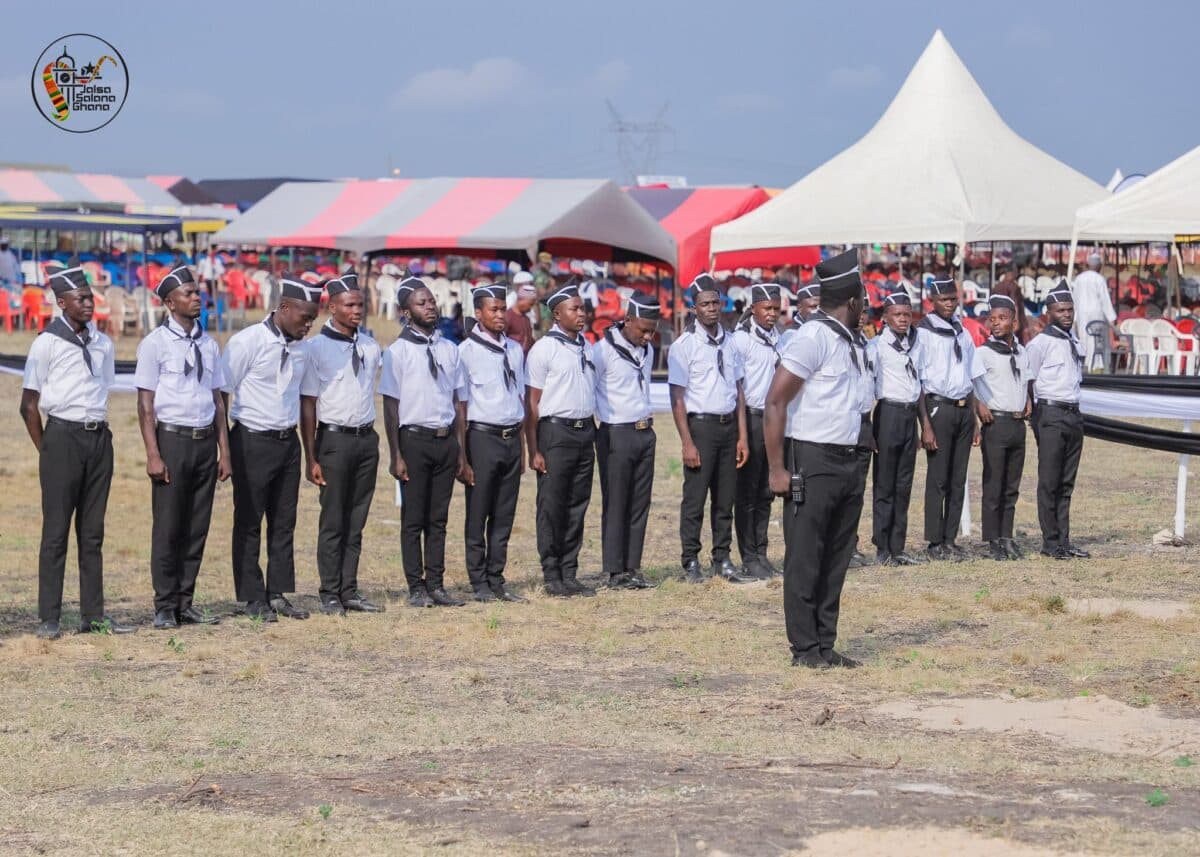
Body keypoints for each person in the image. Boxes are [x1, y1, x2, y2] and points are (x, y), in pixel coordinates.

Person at [763, 248, 867, 669]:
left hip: (850, 459)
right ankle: (804, 650)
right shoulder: (813, 337)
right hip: (814, 458)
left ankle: (825, 644)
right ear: (854, 300)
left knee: (836, 558)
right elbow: (774, 402)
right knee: (806, 558)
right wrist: (776, 469)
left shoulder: (851, 340)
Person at [19, 266, 130, 639]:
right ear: (62, 302)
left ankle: (93, 614)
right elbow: (29, 405)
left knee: (92, 532)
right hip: (62, 437)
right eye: (80, 299)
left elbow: (104, 389)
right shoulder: (46, 343)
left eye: (90, 298)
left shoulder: (102, 343)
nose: (89, 303)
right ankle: (49, 617)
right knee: (55, 532)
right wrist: (48, 449)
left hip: (98, 439)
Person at [133, 265, 231, 629]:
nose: (196, 298)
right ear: (169, 302)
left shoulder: (208, 342)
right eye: (188, 293)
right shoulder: (155, 344)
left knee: (197, 525)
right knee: (169, 526)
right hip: (172, 440)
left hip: (204, 441)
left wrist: (225, 451)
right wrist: (153, 454)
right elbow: (145, 405)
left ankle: (185, 602)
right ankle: (164, 605)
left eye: (197, 292)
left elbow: (219, 400)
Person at [222, 276, 321, 622]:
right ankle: (252, 596)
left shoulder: (304, 349)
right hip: (251, 439)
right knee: (249, 520)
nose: (308, 325)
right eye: (304, 317)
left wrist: (310, 455)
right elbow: (222, 393)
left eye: (313, 319)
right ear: (284, 308)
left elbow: (308, 401)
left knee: (284, 521)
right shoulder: (247, 342)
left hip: (286, 442)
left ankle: (277, 592)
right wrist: (224, 449)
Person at [299, 273, 385, 616]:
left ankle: (350, 589)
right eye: (349, 305)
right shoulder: (315, 348)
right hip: (333, 439)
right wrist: (311, 455)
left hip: (366, 438)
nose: (356, 311)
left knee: (357, 519)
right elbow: (307, 404)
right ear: (331, 307)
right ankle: (329, 591)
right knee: (333, 519)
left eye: (360, 304)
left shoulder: (369, 345)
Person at [381, 279, 467, 607]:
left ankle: (437, 583)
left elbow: (459, 402)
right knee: (413, 518)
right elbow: (391, 405)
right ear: (406, 312)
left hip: (445, 440)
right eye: (421, 303)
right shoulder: (398, 352)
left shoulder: (449, 348)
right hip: (413, 440)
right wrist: (396, 454)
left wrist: (459, 448)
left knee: (438, 518)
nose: (430, 306)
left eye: (431, 301)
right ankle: (416, 587)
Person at [669, 274, 754, 584]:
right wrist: (687, 443)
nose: (711, 309)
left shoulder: (732, 342)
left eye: (716, 303)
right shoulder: (684, 346)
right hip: (700, 427)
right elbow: (677, 398)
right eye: (704, 304)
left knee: (725, 498)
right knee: (695, 499)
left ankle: (722, 557)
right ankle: (690, 559)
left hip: (728, 426)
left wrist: (743, 436)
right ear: (694, 308)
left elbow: (739, 391)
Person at [525, 281, 598, 597]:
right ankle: (552, 573)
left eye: (582, 308)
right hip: (556, 432)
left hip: (585, 431)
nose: (582, 314)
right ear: (557, 314)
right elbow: (532, 402)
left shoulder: (586, 345)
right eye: (575, 309)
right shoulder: (545, 348)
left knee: (577, 504)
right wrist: (534, 448)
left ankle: (570, 571)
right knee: (552, 505)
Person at [457, 282, 528, 603]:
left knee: (504, 512)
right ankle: (478, 581)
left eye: (503, 308)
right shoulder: (466, 352)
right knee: (479, 510)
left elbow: (521, 400)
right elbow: (460, 408)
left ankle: (497, 577)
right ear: (478, 313)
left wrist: (523, 446)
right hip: (482, 437)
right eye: (493, 309)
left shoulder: (514, 350)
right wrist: (463, 456)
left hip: (511, 437)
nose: (500, 315)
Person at [593, 291, 659, 591]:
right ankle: (614, 570)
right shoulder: (602, 351)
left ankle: (633, 566)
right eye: (642, 329)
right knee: (617, 501)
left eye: (651, 331)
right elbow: (590, 389)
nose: (647, 336)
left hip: (645, 432)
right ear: (628, 320)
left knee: (639, 504)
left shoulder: (648, 350)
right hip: (615, 432)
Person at [917, 276, 983, 561]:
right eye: (943, 300)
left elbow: (970, 375)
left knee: (958, 478)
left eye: (953, 299)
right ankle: (934, 541)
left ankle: (950, 538)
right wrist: (926, 425)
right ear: (932, 301)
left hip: (962, 408)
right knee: (938, 478)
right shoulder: (923, 333)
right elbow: (918, 382)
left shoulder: (962, 332)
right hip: (938, 407)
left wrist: (975, 416)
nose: (949, 305)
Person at [1026, 282, 1090, 560]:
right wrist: (1036, 418)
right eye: (1060, 310)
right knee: (1049, 481)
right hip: (1050, 414)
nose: (1067, 314)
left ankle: (1064, 540)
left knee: (1066, 482)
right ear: (1048, 312)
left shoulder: (1073, 340)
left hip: (1073, 414)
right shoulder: (1040, 343)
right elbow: (1028, 381)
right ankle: (1050, 543)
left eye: (1070, 309)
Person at [866, 293, 924, 566]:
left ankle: (898, 546)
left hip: (909, 414)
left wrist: (926, 426)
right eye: (897, 315)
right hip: (888, 413)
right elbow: (868, 386)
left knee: (904, 484)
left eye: (907, 314)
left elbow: (921, 385)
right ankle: (882, 545)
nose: (903, 319)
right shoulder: (877, 346)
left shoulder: (917, 343)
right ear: (886, 318)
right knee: (885, 483)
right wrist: (868, 426)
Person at [974, 294, 1031, 561]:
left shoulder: (1021, 351)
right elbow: (971, 381)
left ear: (1014, 322)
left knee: (1012, 485)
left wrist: (1028, 399)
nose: (996, 323)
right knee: (993, 483)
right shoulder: (983, 352)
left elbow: (1024, 381)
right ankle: (993, 539)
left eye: (1002, 318)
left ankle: (1007, 536)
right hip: (995, 423)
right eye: (992, 319)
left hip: (1017, 423)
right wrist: (978, 404)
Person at [731, 283, 782, 579]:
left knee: (767, 490)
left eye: (776, 308)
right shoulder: (741, 340)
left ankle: (761, 552)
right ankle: (748, 554)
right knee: (747, 491)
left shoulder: (778, 338)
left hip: (773, 419)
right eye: (767, 308)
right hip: (750, 418)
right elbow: (738, 389)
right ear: (754, 309)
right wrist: (742, 435)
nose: (772, 314)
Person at [1071, 253, 1117, 370]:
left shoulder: (1079, 278)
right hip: (1096, 314)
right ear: (1099, 265)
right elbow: (1105, 300)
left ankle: (1085, 363)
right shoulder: (1099, 279)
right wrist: (1112, 319)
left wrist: (1074, 317)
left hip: (1082, 313)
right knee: (1096, 339)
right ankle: (1095, 364)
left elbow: (1074, 299)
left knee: (1084, 337)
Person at [990, 267, 1028, 343]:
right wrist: (1016, 322)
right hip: (1009, 321)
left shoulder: (997, 286)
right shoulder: (1013, 286)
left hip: (997, 320)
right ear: (1012, 274)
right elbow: (1015, 304)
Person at [779, 281, 820, 349]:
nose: (818, 311)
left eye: (821, 307)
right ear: (800, 308)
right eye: (813, 307)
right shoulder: (791, 336)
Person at [506, 275, 538, 354]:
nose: (530, 308)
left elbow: (529, 339)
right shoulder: (508, 317)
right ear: (520, 300)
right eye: (530, 304)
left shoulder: (526, 318)